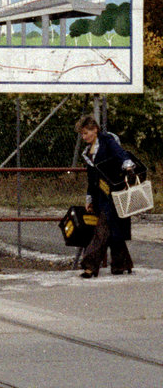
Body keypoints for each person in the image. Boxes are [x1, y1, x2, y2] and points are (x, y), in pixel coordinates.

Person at [76, 115, 136, 278]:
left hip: (114, 191)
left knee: (102, 228)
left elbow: (121, 154)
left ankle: (90, 266)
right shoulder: (88, 153)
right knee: (113, 228)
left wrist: (129, 168)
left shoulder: (107, 141)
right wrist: (89, 198)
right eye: (82, 134)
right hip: (100, 195)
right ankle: (121, 264)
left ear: (95, 129)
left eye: (86, 133)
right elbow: (91, 179)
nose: (84, 137)